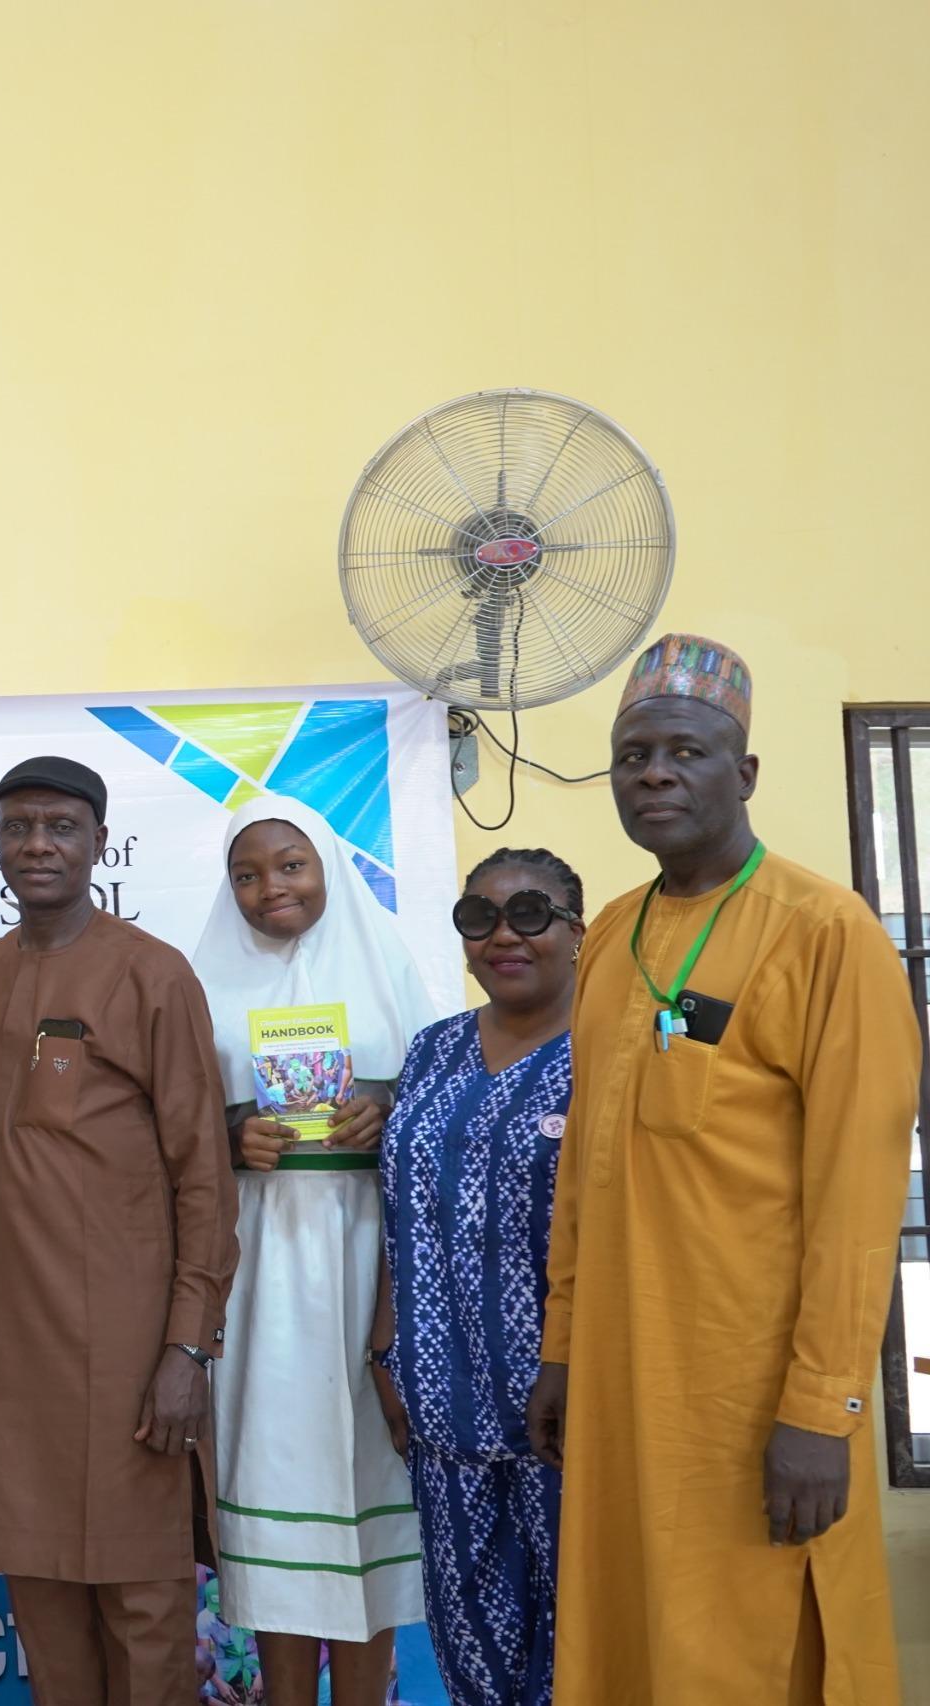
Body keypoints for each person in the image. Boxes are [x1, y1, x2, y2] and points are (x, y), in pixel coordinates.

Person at [526, 634, 921, 1705]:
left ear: (743, 773)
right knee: (632, 1645)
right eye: (633, 755)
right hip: (624, 1388)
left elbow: (858, 1198)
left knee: (751, 1655)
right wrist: (563, 1347)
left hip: (751, 1403)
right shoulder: (611, 937)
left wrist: (822, 1408)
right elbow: (583, 1178)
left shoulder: (824, 933)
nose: (654, 774)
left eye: (684, 753)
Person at [0, 756, 238, 1706]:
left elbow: (204, 1174)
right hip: (18, 1353)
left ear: (99, 844)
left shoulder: (151, 973)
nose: (37, 845)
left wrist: (188, 1347)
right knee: (42, 1599)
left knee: (144, 1599)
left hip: (129, 1344)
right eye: (18, 828)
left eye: (61, 828)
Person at [191, 793, 436, 1705]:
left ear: (327, 866)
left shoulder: (388, 966)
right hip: (259, 1271)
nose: (270, 889)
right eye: (246, 875)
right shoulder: (200, 984)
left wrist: (388, 1112)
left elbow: (447, 1101)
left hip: (372, 1267)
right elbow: (164, 1127)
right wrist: (228, 1137)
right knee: (278, 1495)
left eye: (290, 866)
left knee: (369, 1497)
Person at [380, 849, 584, 1706]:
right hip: (443, 1410)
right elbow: (395, 1212)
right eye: (479, 919)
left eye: (530, 914)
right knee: (474, 1653)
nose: (504, 936)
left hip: (571, 1409)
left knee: (585, 1644)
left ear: (577, 930)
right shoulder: (433, 1051)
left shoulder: (614, 1052)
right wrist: (385, 1354)